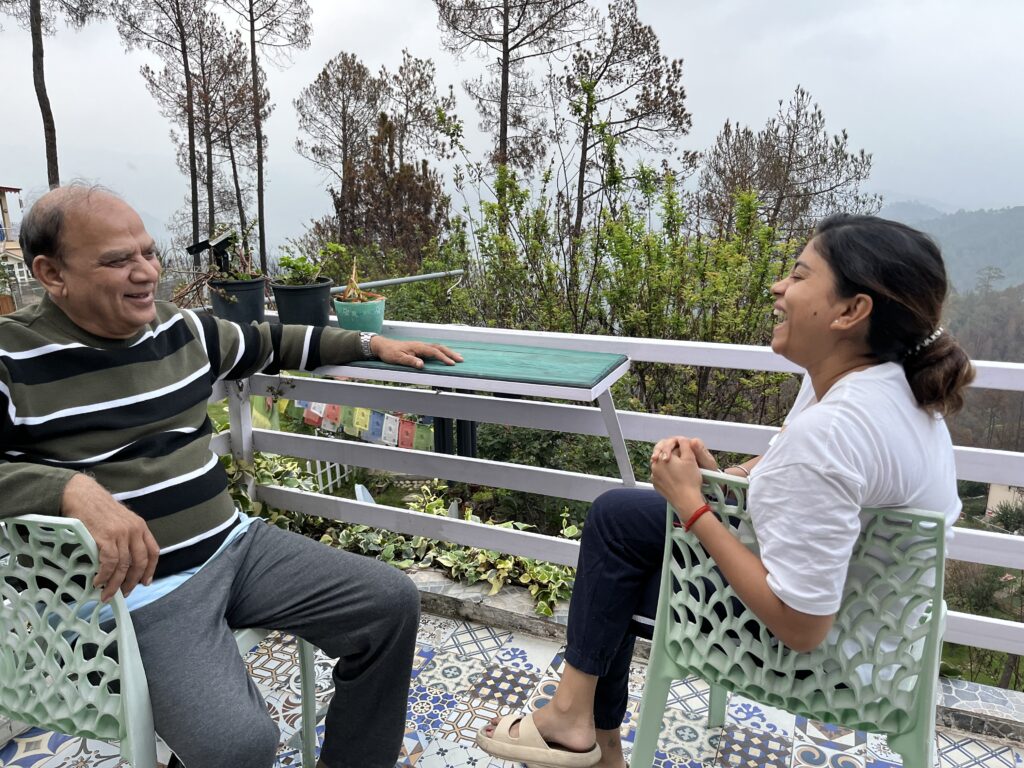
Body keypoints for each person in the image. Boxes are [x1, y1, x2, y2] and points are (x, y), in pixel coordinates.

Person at [476, 214, 975, 768]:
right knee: (619, 522)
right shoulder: (886, 384)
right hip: (884, 628)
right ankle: (585, 729)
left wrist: (693, 504)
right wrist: (725, 480)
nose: (778, 288)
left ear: (851, 311)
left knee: (616, 565)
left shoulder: (831, 432)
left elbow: (801, 625)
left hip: (826, 655)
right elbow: (805, 483)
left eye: (798, 275)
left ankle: (580, 728)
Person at [0, 184, 464, 768]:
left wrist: (371, 342)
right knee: (241, 745)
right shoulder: (13, 359)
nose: (146, 273)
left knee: (388, 602)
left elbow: (274, 341)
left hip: (236, 548)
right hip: (139, 596)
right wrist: (67, 489)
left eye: (149, 252)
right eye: (119, 260)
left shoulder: (183, 332)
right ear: (50, 272)